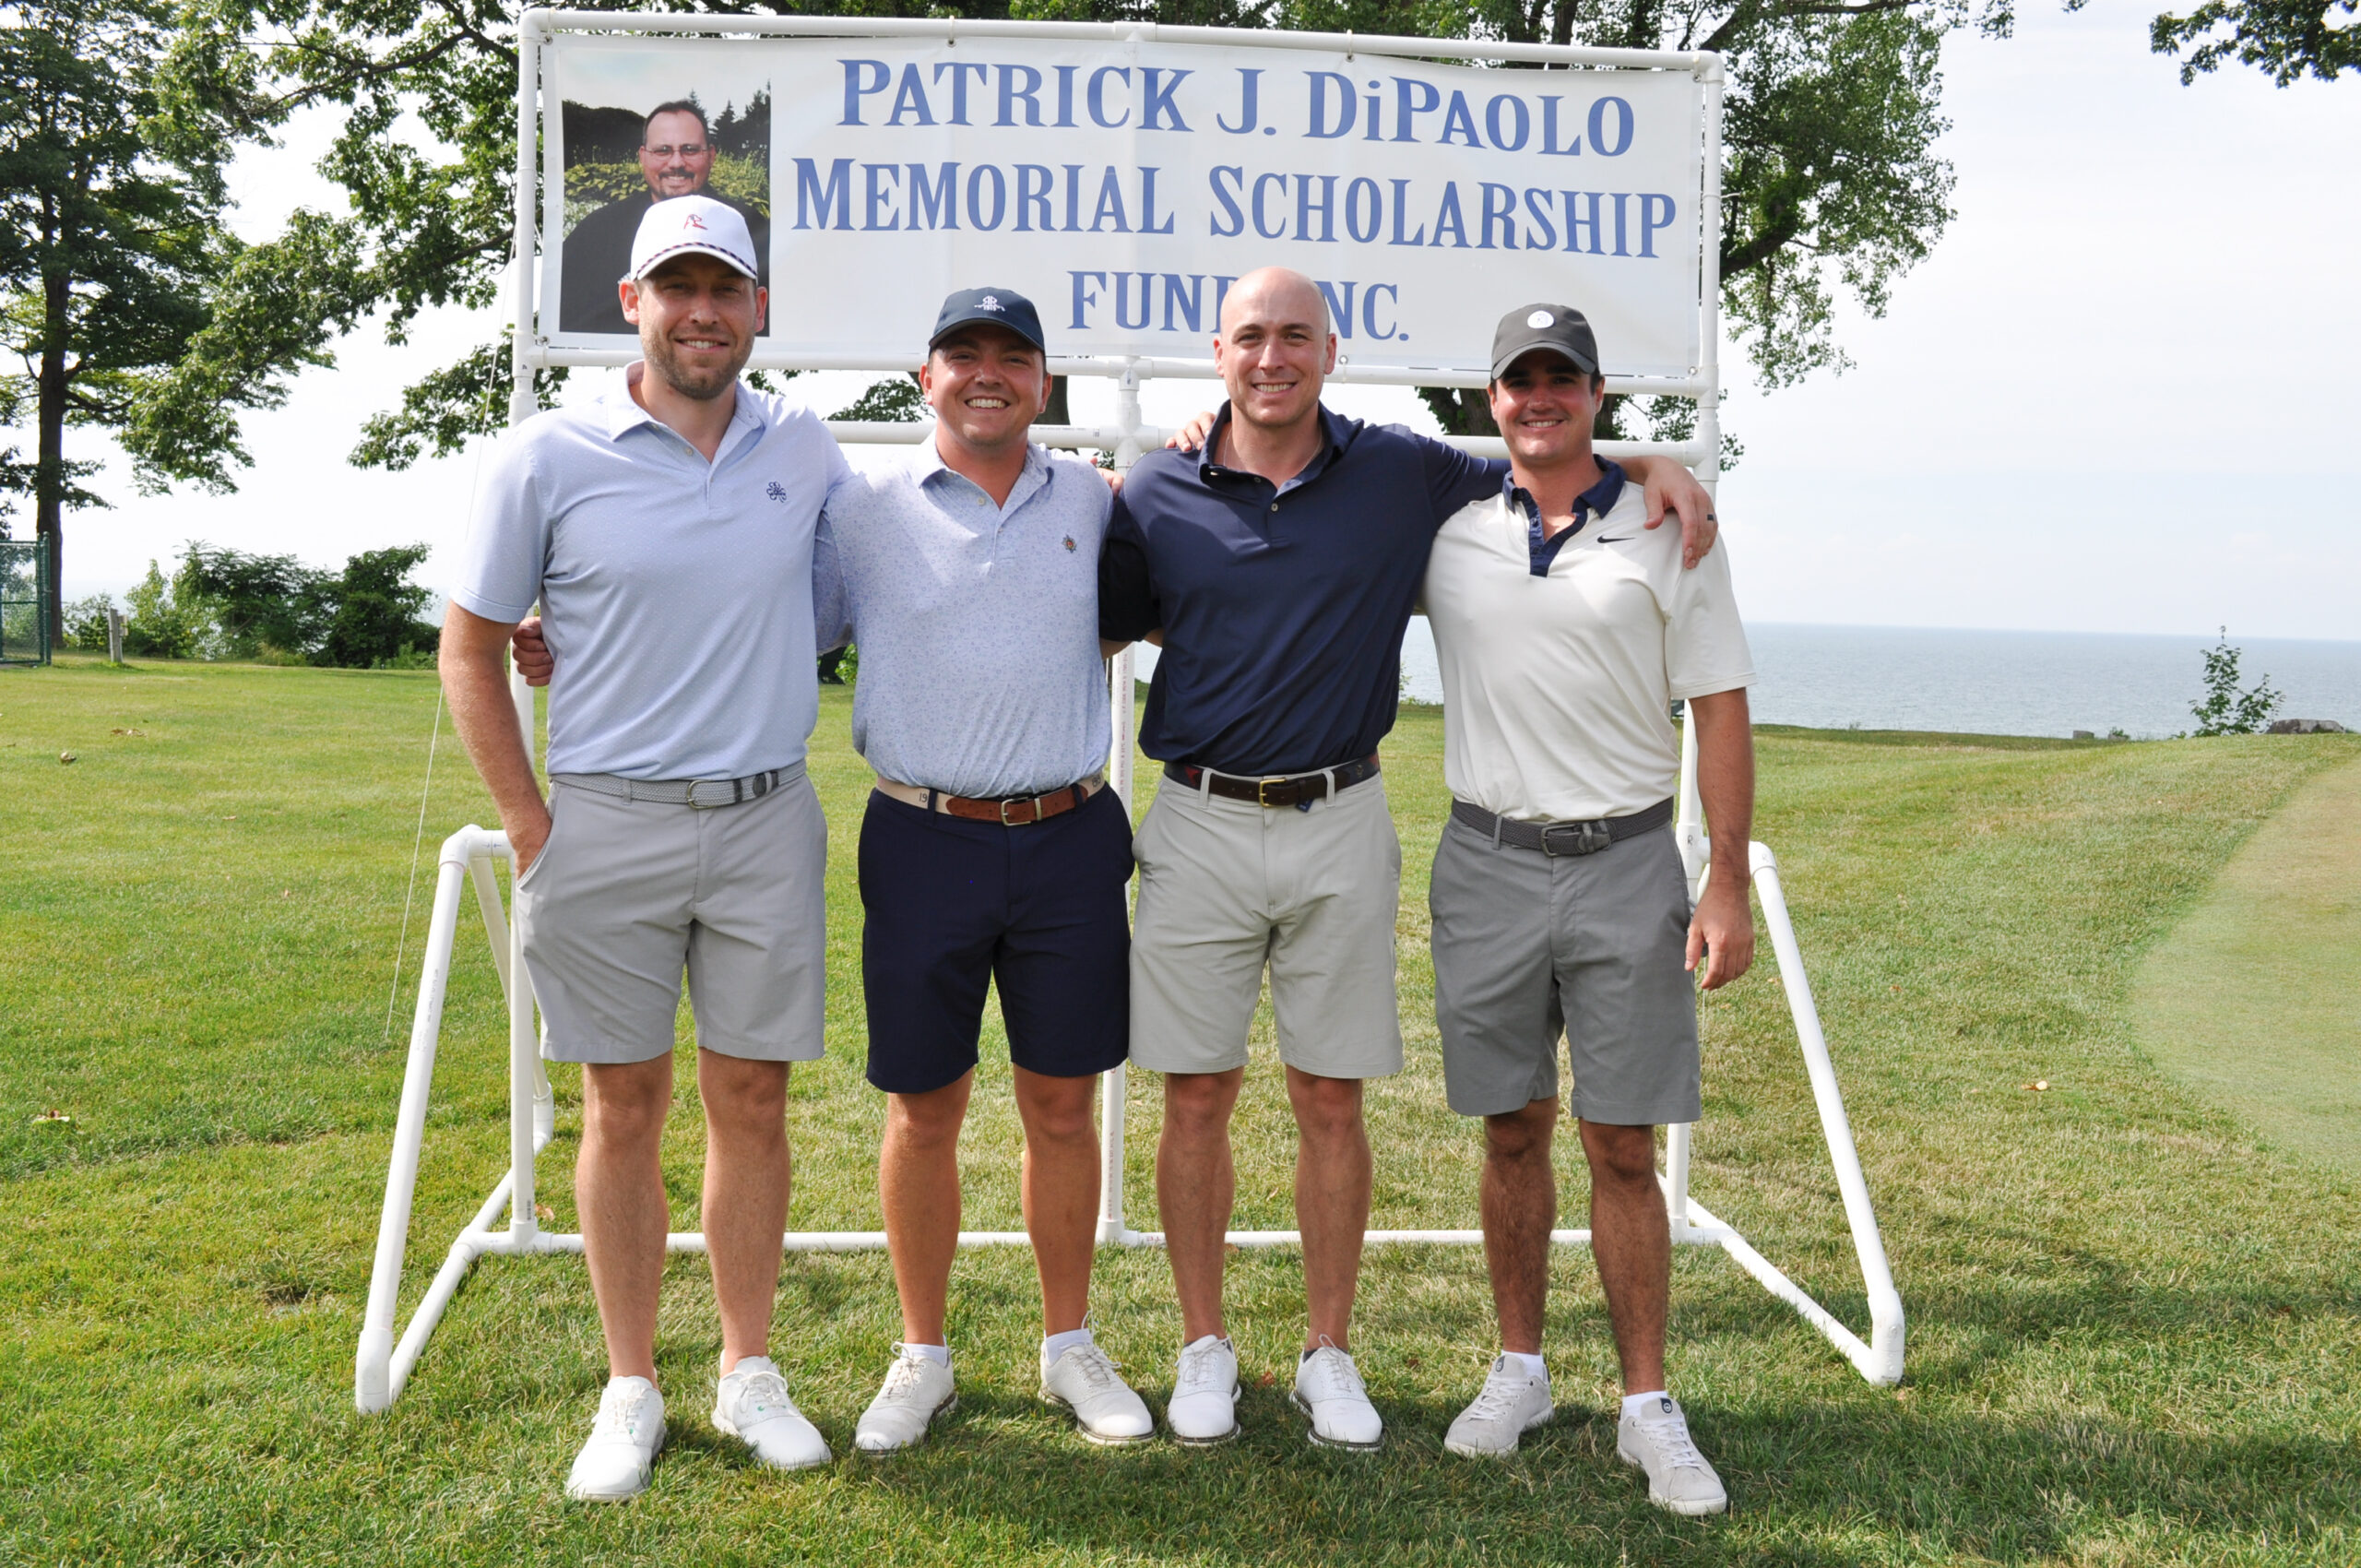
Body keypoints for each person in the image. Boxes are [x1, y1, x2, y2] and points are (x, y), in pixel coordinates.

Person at [1096, 267, 1719, 1451]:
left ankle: (1327, 1350)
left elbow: (1548, 463)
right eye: (1248, 337)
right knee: (1195, 1093)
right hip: (1197, 815)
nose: (1271, 356)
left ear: (1332, 352)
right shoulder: (1159, 484)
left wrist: (1652, 464)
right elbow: (1117, 613)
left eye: (1295, 335)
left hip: (1341, 813)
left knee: (1330, 1096)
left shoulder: (1398, 469)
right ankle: (1202, 1346)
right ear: (1217, 353)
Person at [442, 194, 841, 1502]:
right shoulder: (545, 455)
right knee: (621, 1106)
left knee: (753, 1100)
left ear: (758, 308)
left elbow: (873, 570)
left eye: (725, 289)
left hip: (767, 817)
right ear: (633, 305)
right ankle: (631, 1383)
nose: (702, 313)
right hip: (603, 822)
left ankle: (745, 1366)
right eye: (677, 288)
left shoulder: (805, 448)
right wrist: (529, 823)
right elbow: (470, 648)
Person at [1420, 303, 1755, 1515]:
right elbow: (1305, 471)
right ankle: (1519, 1369)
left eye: (1562, 378)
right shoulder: (1447, 527)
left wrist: (1725, 876)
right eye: (1520, 380)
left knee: (1622, 1142)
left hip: (1625, 862)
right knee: (1511, 1128)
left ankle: (1645, 1404)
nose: (1539, 396)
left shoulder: (1673, 526)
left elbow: (1719, 705)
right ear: (1492, 398)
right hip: (1486, 859)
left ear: (1598, 394)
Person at [810, 288, 1155, 1452]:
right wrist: (564, 632)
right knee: (924, 1107)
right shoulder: (860, 507)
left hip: (1069, 834)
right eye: (964, 354)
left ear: (1043, 382)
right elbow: (763, 621)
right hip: (922, 835)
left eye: (1014, 356)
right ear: (926, 377)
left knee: (1062, 1104)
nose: (988, 373)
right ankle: (923, 1352)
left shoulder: (1097, 500)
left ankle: (1068, 1343)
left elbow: (1149, 599)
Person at [560, 101, 772, 336]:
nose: (676, 163)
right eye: (663, 151)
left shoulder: (753, 228)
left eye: (690, 150)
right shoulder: (596, 233)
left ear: (711, 156)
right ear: (643, 157)